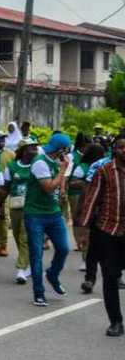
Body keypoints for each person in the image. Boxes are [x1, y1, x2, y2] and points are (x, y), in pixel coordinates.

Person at [77, 136, 125, 335]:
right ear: (115, 150)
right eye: (121, 147)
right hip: (108, 231)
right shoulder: (103, 171)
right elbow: (91, 201)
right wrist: (84, 231)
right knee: (110, 277)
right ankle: (116, 321)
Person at [22, 132, 72, 306]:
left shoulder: (58, 161)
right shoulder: (40, 162)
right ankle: (39, 292)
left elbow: (60, 182)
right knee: (36, 254)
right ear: (61, 149)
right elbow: (49, 188)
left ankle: (52, 274)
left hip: (54, 213)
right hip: (35, 214)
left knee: (64, 248)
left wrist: (63, 191)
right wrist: (62, 170)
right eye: (65, 149)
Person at [0, 138, 38, 284]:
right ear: (23, 150)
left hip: (33, 207)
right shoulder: (12, 167)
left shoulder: (38, 165)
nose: (35, 149)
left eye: (35, 147)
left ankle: (21, 269)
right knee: (16, 234)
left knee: (24, 237)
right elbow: (6, 188)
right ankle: (31, 264)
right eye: (31, 147)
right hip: (15, 206)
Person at [70, 143, 105, 292]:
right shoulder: (96, 167)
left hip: (115, 216)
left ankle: (116, 277)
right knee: (92, 244)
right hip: (94, 208)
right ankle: (90, 279)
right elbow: (81, 186)